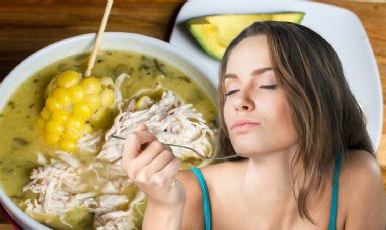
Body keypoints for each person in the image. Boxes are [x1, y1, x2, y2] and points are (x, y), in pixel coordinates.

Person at [120, 21, 386, 229]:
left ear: (318, 94)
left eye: (267, 85)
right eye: (231, 90)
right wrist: (164, 207)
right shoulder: (187, 190)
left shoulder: (356, 176)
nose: (239, 102)